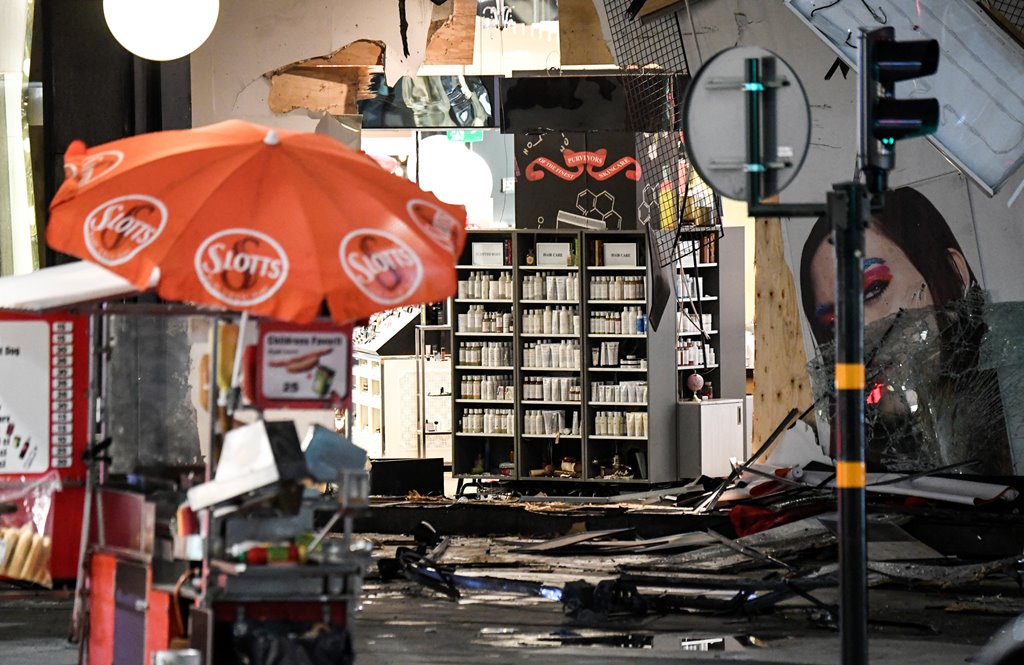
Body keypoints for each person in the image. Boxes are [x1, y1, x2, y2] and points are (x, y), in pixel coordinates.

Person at [798, 186, 1012, 475]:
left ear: (953, 272)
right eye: (835, 322)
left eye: (874, 289)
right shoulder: (876, 461)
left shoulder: (1012, 412)